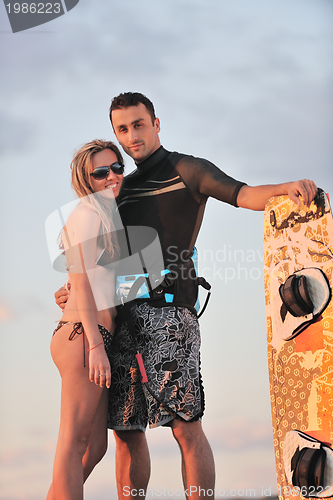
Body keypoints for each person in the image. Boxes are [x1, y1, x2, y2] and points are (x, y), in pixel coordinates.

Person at [55, 93, 317, 500]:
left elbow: (242, 194)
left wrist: (288, 187)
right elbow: (97, 254)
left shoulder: (186, 169)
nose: (131, 136)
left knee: (185, 426)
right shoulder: (117, 187)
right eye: (122, 129)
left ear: (156, 123)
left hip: (168, 315)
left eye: (138, 125)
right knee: (126, 432)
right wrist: (74, 290)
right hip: (121, 319)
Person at [47, 139, 124, 500]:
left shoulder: (102, 215)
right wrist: (95, 344)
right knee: (73, 443)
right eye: (101, 172)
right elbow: (79, 279)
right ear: (86, 178)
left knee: (94, 449)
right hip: (83, 336)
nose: (112, 176)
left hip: (88, 334)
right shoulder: (89, 214)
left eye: (117, 167)